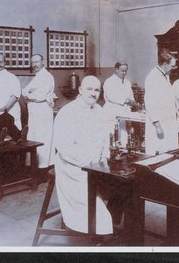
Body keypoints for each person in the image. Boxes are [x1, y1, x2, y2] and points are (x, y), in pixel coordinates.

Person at [53, 75, 114, 234]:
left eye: (97, 90)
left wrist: (104, 157)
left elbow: (105, 139)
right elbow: (64, 148)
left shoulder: (100, 111)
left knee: (124, 189)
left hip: (96, 166)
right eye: (89, 89)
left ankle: (112, 222)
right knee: (97, 214)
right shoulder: (68, 112)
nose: (93, 93)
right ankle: (98, 236)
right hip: (73, 167)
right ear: (80, 90)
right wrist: (88, 163)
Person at [22, 54, 56, 168]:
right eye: (33, 62)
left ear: (43, 62)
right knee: (33, 137)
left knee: (43, 138)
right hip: (34, 111)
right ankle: (35, 166)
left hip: (43, 111)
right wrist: (30, 92)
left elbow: (39, 96)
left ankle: (43, 167)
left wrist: (31, 93)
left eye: (37, 62)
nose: (35, 64)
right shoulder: (38, 76)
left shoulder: (47, 76)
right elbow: (24, 91)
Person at [102, 61, 135, 142]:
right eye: (122, 71)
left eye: (126, 71)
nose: (124, 73)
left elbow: (131, 95)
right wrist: (125, 100)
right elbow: (111, 97)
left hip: (125, 112)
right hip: (113, 112)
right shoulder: (109, 81)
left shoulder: (127, 82)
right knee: (113, 136)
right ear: (116, 69)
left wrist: (132, 101)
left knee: (124, 136)